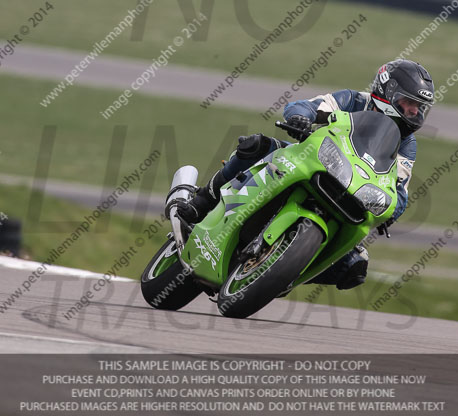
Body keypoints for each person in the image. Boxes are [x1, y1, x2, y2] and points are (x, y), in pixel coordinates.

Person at [178, 58, 434, 290]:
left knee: (355, 266)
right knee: (255, 146)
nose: (414, 112)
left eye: (420, 107)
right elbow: (306, 106)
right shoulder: (354, 100)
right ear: (387, 92)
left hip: (353, 189)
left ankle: (285, 272)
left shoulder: (407, 143)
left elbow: (400, 189)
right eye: (409, 103)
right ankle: (201, 202)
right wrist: (301, 117)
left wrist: (390, 209)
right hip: (312, 159)